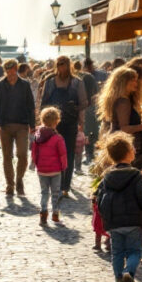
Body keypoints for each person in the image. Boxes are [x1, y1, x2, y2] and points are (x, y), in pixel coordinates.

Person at [93, 132, 142, 282]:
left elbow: (99, 196)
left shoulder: (107, 176)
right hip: (133, 221)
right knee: (134, 251)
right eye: (132, 148)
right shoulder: (136, 174)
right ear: (128, 153)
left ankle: (118, 279)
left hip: (114, 223)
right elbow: (141, 197)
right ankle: (128, 272)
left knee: (117, 253)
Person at [40, 56, 87, 195]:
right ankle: (56, 182)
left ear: (69, 65)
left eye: (65, 64)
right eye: (60, 64)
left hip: (70, 122)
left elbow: (84, 102)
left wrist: (76, 111)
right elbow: (44, 102)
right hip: (53, 123)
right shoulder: (49, 82)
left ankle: (65, 185)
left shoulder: (76, 83)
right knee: (54, 152)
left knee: (69, 153)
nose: (62, 67)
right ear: (56, 65)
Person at [0, 58, 36, 197]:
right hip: (5, 126)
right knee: (7, 156)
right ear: (5, 71)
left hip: (22, 125)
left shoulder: (24, 85)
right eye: (8, 72)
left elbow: (30, 105)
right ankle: (10, 184)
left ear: (16, 70)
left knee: (22, 155)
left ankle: (19, 180)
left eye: (13, 71)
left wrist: (32, 125)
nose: (11, 74)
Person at [31, 107, 67, 226]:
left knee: (44, 192)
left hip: (42, 170)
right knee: (55, 192)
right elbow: (62, 154)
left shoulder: (38, 136)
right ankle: (55, 214)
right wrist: (64, 167)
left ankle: (43, 214)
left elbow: (34, 152)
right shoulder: (58, 138)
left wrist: (37, 164)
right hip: (55, 170)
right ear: (56, 122)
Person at [82, 58, 104, 161]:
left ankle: (91, 152)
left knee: (93, 131)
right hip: (89, 107)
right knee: (89, 132)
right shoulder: (83, 76)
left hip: (93, 106)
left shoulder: (99, 75)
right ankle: (89, 152)